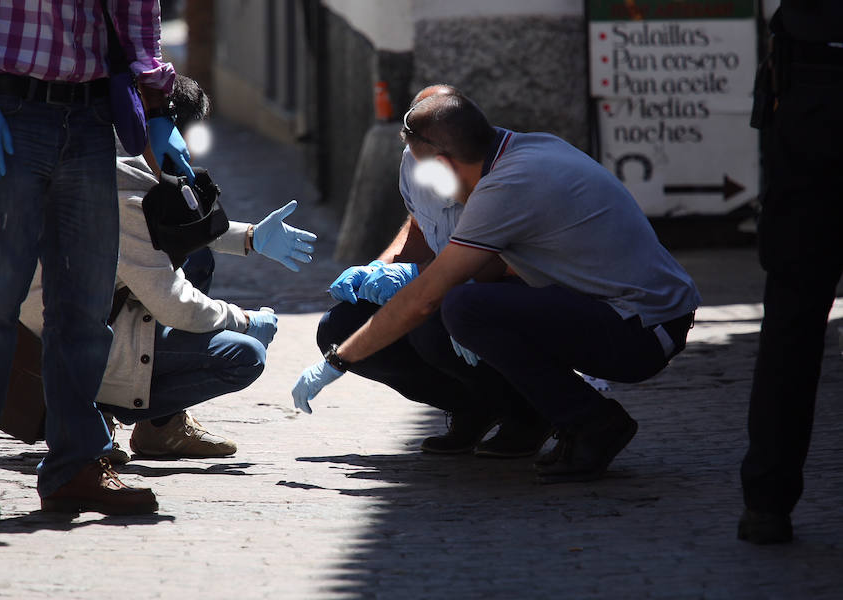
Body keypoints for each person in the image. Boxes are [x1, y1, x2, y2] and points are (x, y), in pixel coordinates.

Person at [294, 93, 701, 483]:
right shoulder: (519, 151)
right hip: (618, 312)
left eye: (429, 172)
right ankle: (507, 411)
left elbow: (427, 297)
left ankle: (592, 422)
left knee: (462, 307)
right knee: (388, 315)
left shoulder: (508, 185)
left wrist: (337, 361)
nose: (430, 186)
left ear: (445, 161)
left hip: (644, 330)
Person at [0, 0, 192, 520]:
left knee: (84, 306)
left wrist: (159, 113)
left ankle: (75, 468)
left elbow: (137, 20)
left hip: (91, 120)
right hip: (12, 109)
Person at [17, 75, 317, 463]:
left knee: (197, 257)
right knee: (244, 355)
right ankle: (93, 417)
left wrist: (251, 236)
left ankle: (160, 428)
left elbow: (170, 232)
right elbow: (174, 304)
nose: (188, 155)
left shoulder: (110, 156)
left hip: (74, 325)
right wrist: (242, 320)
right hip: (53, 353)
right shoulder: (120, 187)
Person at [319, 84, 554, 458]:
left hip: (500, 290)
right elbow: (420, 225)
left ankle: (528, 412)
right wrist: (381, 267)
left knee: (432, 325)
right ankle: (471, 406)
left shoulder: (496, 173)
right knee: (340, 326)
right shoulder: (413, 159)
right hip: (444, 285)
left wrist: (423, 282)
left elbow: (505, 261)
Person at [738, 1, 843, 544]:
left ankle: (767, 502)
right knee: (790, 326)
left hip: (809, 120)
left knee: (790, 328)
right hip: (807, 109)